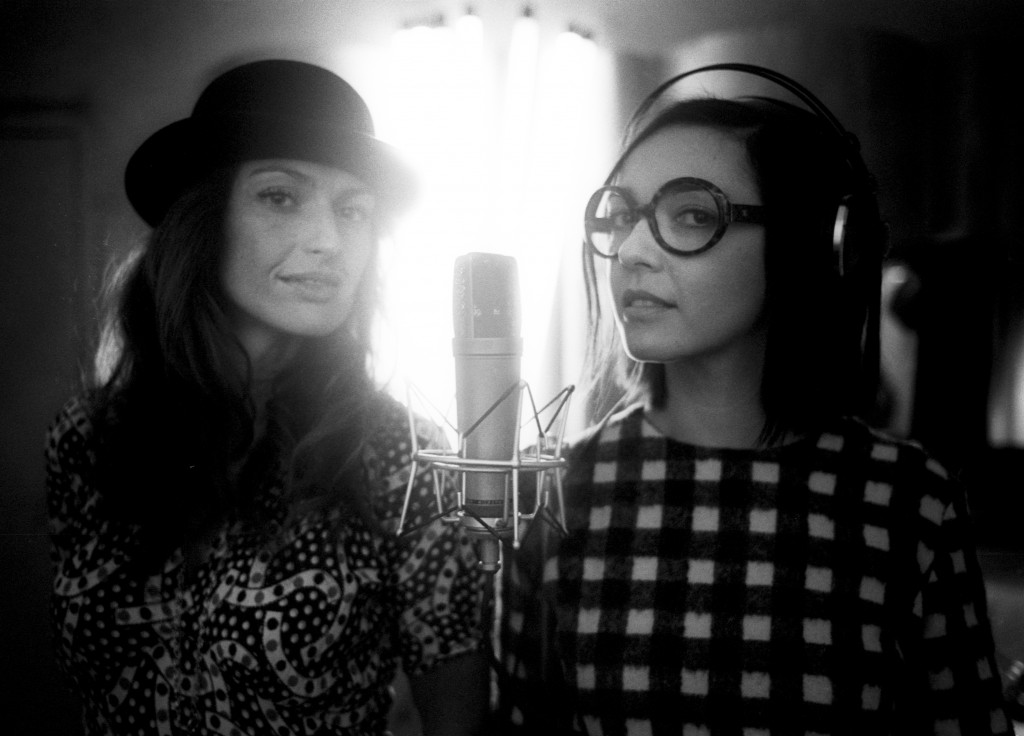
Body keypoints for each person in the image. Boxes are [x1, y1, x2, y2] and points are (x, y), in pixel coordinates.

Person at [495, 67, 1015, 735]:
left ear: (810, 246)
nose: (629, 251)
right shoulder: (552, 491)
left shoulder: (913, 504)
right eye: (621, 217)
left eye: (692, 215)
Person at [45, 58, 489, 736]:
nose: (328, 242)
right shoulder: (87, 438)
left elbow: (459, 719)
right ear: (202, 218)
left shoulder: (406, 459)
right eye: (280, 197)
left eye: (353, 210)